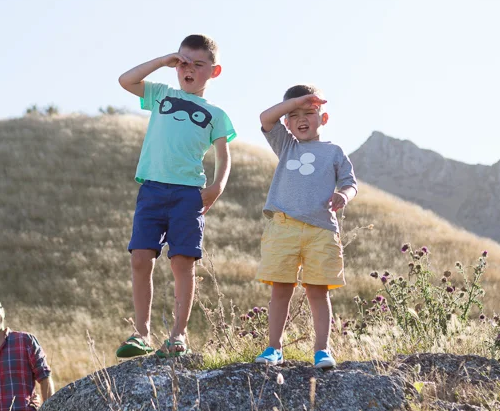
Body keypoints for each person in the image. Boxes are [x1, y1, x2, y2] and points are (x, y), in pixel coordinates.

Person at [115, 34, 236, 359]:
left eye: (198, 64)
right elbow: (126, 80)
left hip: (188, 194)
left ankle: (178, 335)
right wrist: (162, 60)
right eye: (183, 62)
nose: (189, 69)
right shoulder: (161, 95)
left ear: (214, 71)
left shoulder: (216, 114)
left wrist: (217, 187)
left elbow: (224, 155)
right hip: (152, 190)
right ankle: (141, 333)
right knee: (140, 258)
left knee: (182, 262)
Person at [254, 85, 358, 368]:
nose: (301, 119)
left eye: (309, 113)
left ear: (324, 118)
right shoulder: (286, 145)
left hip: (321, 230)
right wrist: (298, 101)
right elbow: (265, 118)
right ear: (286, 122)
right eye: (294, 114)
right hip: (283, 227)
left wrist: (343, 195)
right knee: (281, 288)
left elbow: (350, 183)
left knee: (318, 290)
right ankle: (274, 348)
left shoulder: (334, 151)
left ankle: (322, 350)